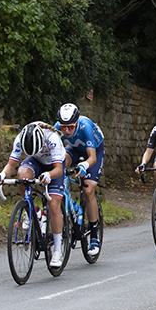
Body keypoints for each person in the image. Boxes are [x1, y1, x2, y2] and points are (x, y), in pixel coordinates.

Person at [0, 122, 67, 267]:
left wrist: (48, 174)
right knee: (22, 175)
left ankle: (58, 250)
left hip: (54, 166)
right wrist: (2, 174)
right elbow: (11, 165)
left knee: (53, 205)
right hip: (36, 161)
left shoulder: (52, 138)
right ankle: (33, 210)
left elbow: (58, 169)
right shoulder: (20, 138)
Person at [54, 103, 103, 256]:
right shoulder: (57, 127)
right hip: (74, 149)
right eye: (63, 127)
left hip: (94, 151)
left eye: (70, 127)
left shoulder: (85, 126)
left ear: (76, 123)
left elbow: (92, 158)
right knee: (60, 165)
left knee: (88, 190)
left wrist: (84, 165)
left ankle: (94, 236)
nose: (66, 130)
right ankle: (71, 204)